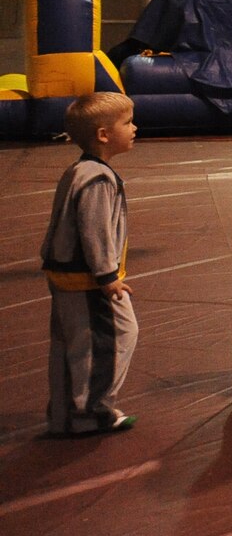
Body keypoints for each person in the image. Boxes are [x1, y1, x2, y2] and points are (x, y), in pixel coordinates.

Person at [41, 92, 140, 436]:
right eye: (127, 123)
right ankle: (91, 412)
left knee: (72, 343)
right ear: (103, 134)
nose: (134, 128)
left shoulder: (81, 171)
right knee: (111, 339)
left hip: (68, 275)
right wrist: (107, 276)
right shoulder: (96, 178)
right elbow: (93, 230)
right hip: (87, 279)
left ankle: (66, 413)